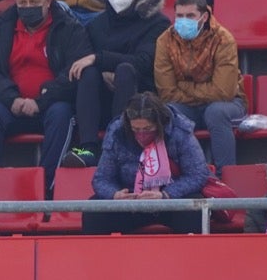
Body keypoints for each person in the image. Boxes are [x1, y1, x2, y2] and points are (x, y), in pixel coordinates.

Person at [0, 0, 94, 175]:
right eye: (22, 3)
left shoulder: (69, 28)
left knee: (61, 115)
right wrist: (12, 99)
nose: (27, 7)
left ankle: (48, 187)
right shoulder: (3, 28)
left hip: (50, 105)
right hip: (10, 105)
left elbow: (73, 74)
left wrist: (41, 101)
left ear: (48, 2)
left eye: (34, 2)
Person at [69, 0, 170, 166]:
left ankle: (117, 143)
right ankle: (88, 148)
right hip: (101, 99)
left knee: (125, 70)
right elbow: (81, 59)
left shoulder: (157, 23)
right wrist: (99, 65)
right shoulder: (96, 25)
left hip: (141, 99)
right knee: (87, 72)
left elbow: (144, 62)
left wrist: (100, 59)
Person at [83, 94, 209, 235]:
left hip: (170, 202)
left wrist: (166, 195)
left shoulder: (179, 131)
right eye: (136, 130)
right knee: (93, 211)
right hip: (130, 203)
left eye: (148, 129)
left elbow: (198, 174)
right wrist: (115, 195)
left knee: (194, 209)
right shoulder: (117, 133)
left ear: (160, 123)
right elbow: (102, 178)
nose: (141, 135)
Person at [153, 0, 244, 172]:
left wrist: (185, 86)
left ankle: (225, 175)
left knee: (215, 112)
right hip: (186, 107)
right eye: (179, 16)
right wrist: (199, 94)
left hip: (230, 103)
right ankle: (184, 175)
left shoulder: (223, 39)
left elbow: (223, 92)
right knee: (169, 112)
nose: (183, 20)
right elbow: (167, 92)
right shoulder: (164, 41)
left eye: (190, 15)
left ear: (204, 16)